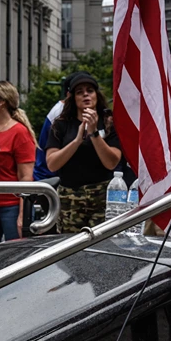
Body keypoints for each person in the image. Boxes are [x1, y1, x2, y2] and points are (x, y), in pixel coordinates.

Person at [46, 72, 123, 233]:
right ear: (73, 98)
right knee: (70, 246)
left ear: (97, 94)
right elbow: (52, 164)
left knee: (102, 246)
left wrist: (94, 133)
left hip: (101, 195)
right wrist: (77, 141)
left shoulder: (109, 121)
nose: (85, 94)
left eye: (90, 90)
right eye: (80, 92)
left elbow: (112, 162)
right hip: (70, 197)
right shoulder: (61, 124)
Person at [0, 81, 37, 244]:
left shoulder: (19, 132)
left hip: (10, 205)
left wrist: (22, 215)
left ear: (1, 101)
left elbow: (26, 177)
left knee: (13, 253)